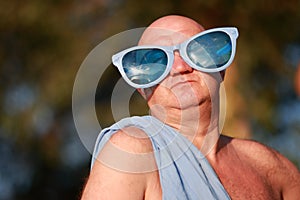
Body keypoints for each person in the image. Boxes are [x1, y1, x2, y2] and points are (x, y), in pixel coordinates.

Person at [81, 15, 300, 199]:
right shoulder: (130, 152)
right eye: (155, 61)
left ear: (221, 69)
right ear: (141, 87)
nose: (180, 67)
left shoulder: (269, 166)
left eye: (197, 52)